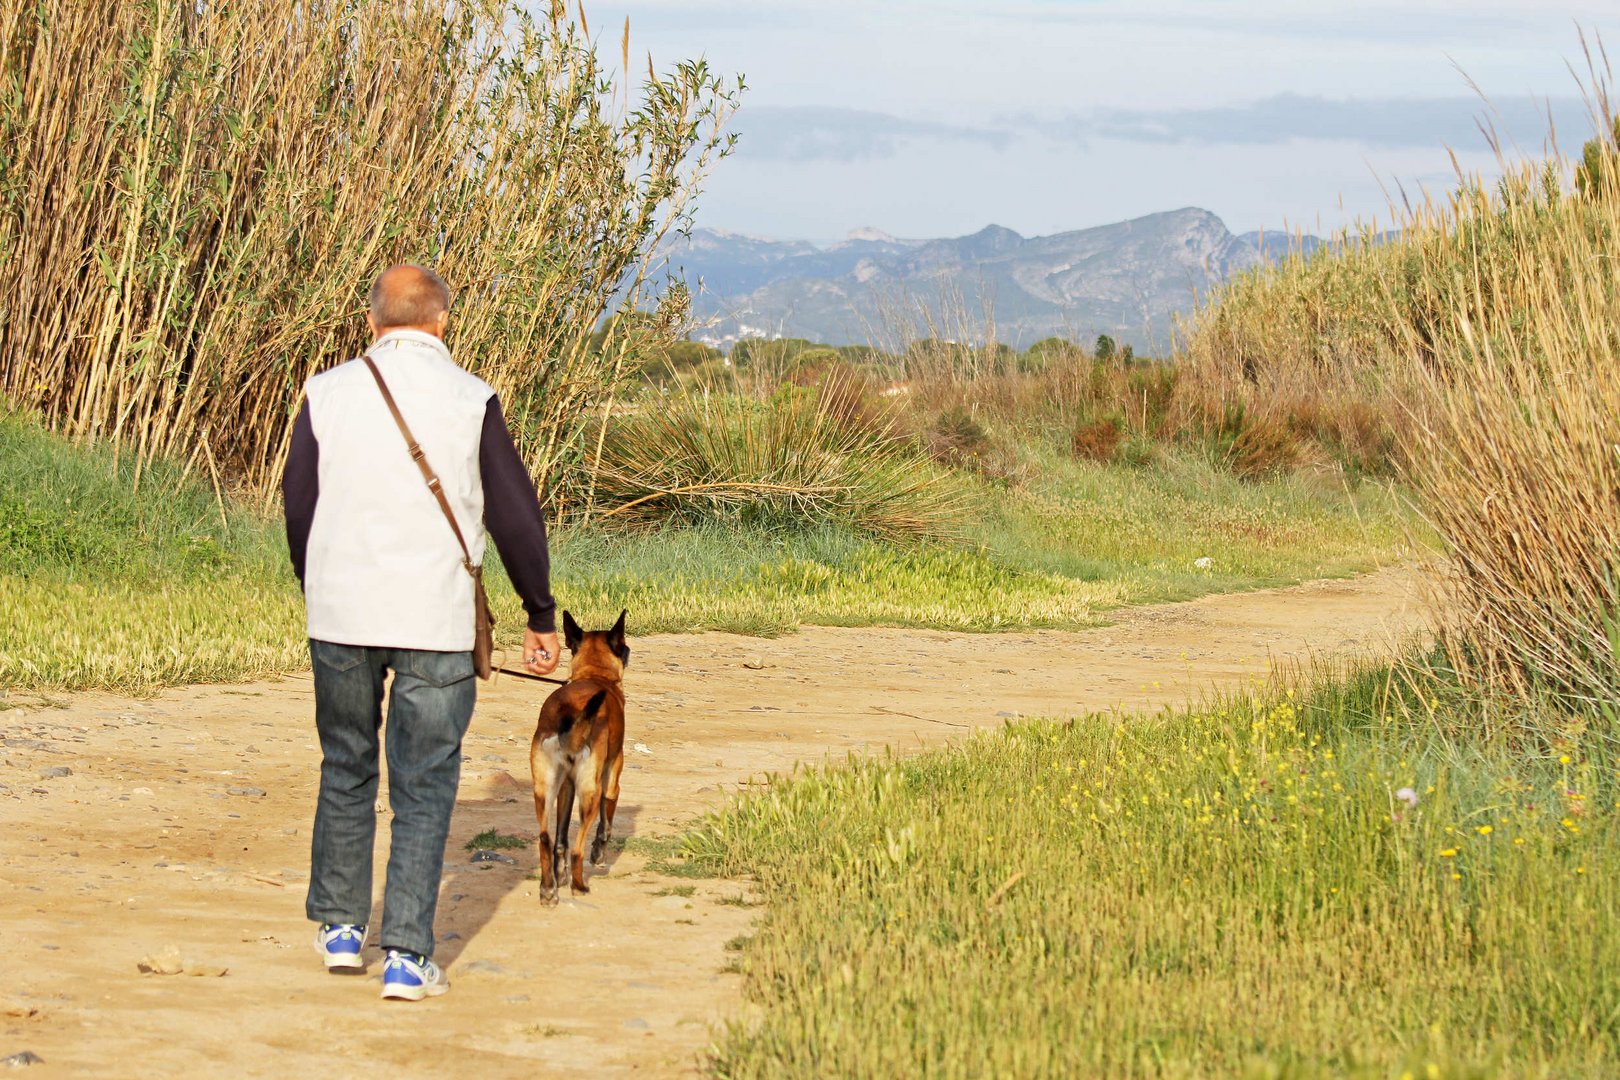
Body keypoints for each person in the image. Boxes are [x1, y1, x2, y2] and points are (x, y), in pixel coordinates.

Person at [282, 264, 559, 1001]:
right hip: (434, 618)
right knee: (426, 781)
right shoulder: (472, 400)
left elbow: (298, 505)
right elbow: (514, 515)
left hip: (341, 613)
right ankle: (406, 954)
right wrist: (538, 612)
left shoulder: (326, 393)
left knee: (345, 765)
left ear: (372, 324)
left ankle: (342, 930)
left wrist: (319, 586)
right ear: (441, 324)